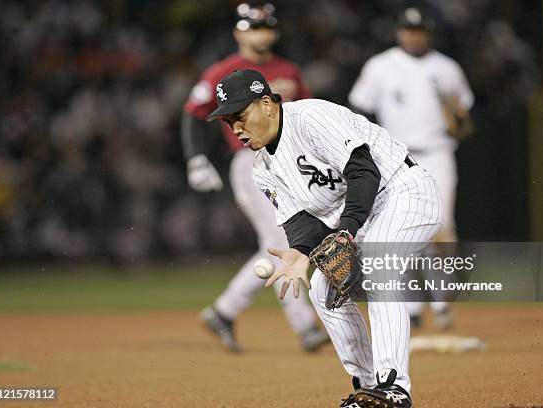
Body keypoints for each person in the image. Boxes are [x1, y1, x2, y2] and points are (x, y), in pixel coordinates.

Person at [207, 69, 443, 407]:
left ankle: (394, 388)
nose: (236, 129)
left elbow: (363, 170)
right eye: (229, 123)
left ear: (267, 104)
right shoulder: (263, 169)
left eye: (240, 116)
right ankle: (368, 390)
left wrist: (346, 232)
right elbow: (301, 224)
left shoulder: (311, 117)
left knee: (377, 270)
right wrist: (301, 253)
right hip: (363, 218)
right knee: (323, 290)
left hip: (403, 192)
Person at [181, 2, 329, 352]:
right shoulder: (226, 70)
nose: (260, 33)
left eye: (265, 27)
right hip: (251, 163)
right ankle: (305, 326)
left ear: (274, 32)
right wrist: (195, 157)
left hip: (289, 162)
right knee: (285, 239)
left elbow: (305, 113)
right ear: (238, 32)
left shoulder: (288, 70)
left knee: (278, 242)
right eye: (252, 27)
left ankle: (223, 311)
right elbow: (192, 112)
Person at [348, 6, 474, 329]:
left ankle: (443, 299)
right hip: (394, 157)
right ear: (399, 32)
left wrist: (457, 120)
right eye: (408, 30)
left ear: (428, 34)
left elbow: (464, 122)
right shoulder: (380, 66)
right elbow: (359, 110)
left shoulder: (447, 69)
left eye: (419, 31)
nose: (413, 36)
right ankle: (414, 307)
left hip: (437, 153)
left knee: (440, 226)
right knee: (399, 228)